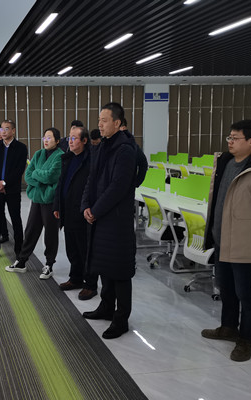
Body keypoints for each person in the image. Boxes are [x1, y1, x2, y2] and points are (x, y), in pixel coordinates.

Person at [201, 119, 251, 362]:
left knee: (246, 294)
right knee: (226, 288)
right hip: (222, 240)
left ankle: (246, 340)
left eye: (235, 138)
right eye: (229, 137)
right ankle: (228, 327)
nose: (230, 142)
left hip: (245, 242)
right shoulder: (226, 162)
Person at [81, 102, 146, 339]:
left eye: (104, 120)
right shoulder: (103, 145)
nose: (100, 124)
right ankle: (106, 307)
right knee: (104, 267)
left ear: (117, 123)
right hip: (100, 217)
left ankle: (121, 320)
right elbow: (92, 179)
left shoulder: (125, 149)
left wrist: (96, 210)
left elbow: (118, 187)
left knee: (119, 271)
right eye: (99, 120)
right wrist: (86, 206)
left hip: (116, 220)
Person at [5, 128, 64, 279]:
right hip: (37, 199)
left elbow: (52, 176)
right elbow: (28, 176)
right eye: (44, 137)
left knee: (50, 233)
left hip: (50, 201)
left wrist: (37, 174)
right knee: (31, 230)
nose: (46, 140)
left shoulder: (60, 156)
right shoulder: (38, 154)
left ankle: (49, 264)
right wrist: (41, 179)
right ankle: (22, 261)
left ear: (57, 140)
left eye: (49, 138)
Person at [53, 126, 97, 299]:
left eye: (74, 138)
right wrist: (57, 205)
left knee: (85, 249)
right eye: (69, 138)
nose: (69, 142)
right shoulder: (68, 158)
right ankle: (76, 278)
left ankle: (90, 284)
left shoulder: (91, 159)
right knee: (72, 248)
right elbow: (61, 184)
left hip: (82, 211)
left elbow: (93, 186)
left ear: (84, 141)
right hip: (67, 209)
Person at [0, 119, 28, 261]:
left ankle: (19, 250)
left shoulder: (21, 148)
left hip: (12, 189)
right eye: (1, 129)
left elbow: (19, 169)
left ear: (13, 131)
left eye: (7, 129)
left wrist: (5, 183)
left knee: (16, 219)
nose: (3, 132)